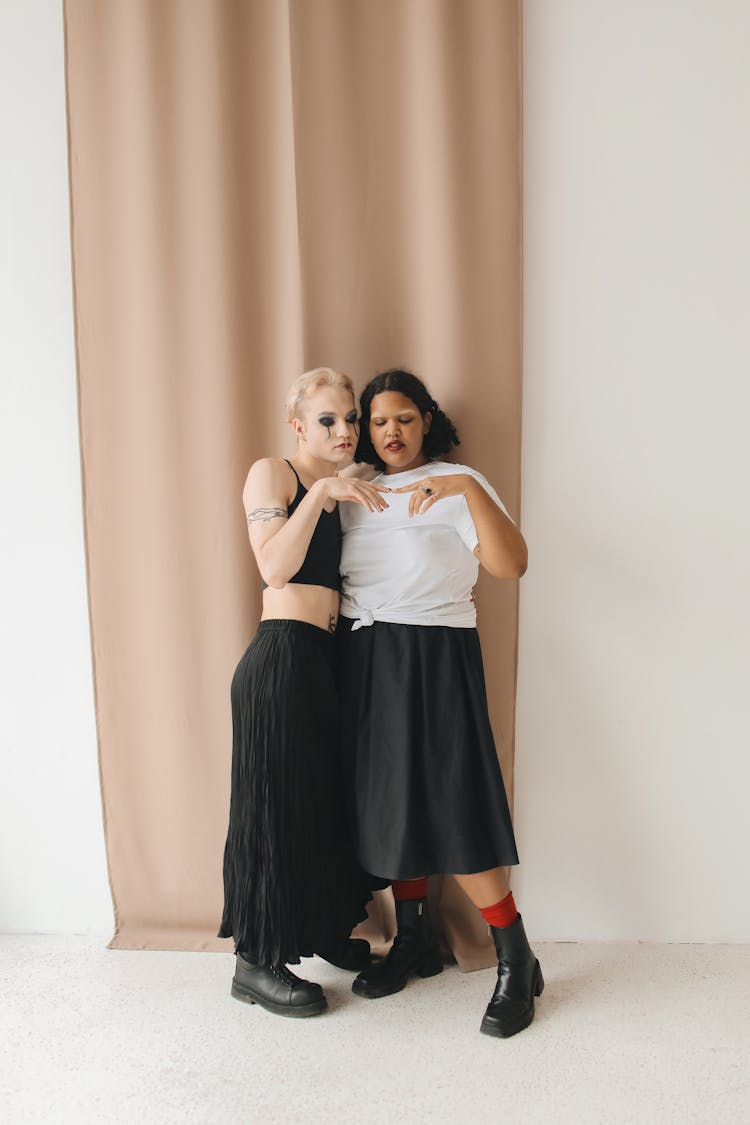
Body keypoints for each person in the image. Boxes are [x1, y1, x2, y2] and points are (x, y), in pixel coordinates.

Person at [337, 368, 543, 1039]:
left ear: (426, 420)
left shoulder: (461, 484)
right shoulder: (353, 491)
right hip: (367, 656)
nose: (390, 431)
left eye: (403, 417)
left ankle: (516, 956)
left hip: (437, 654)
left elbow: (511, 565)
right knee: (391, 802)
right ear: (364, 429)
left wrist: (460, 487)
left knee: (456, 801)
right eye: (377, 421)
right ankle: (415, 937)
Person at [219, 367, 389, 1019]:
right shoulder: (276, 475)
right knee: (271, 812)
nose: (345, 430)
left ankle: (317, 928)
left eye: (350, 417)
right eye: (327, 420)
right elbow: (273, 565)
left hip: (326, 659)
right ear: (298, 426)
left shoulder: (346, 484)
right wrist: (321, 494)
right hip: (281, 658)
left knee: (318, 805)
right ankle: (255, 962)